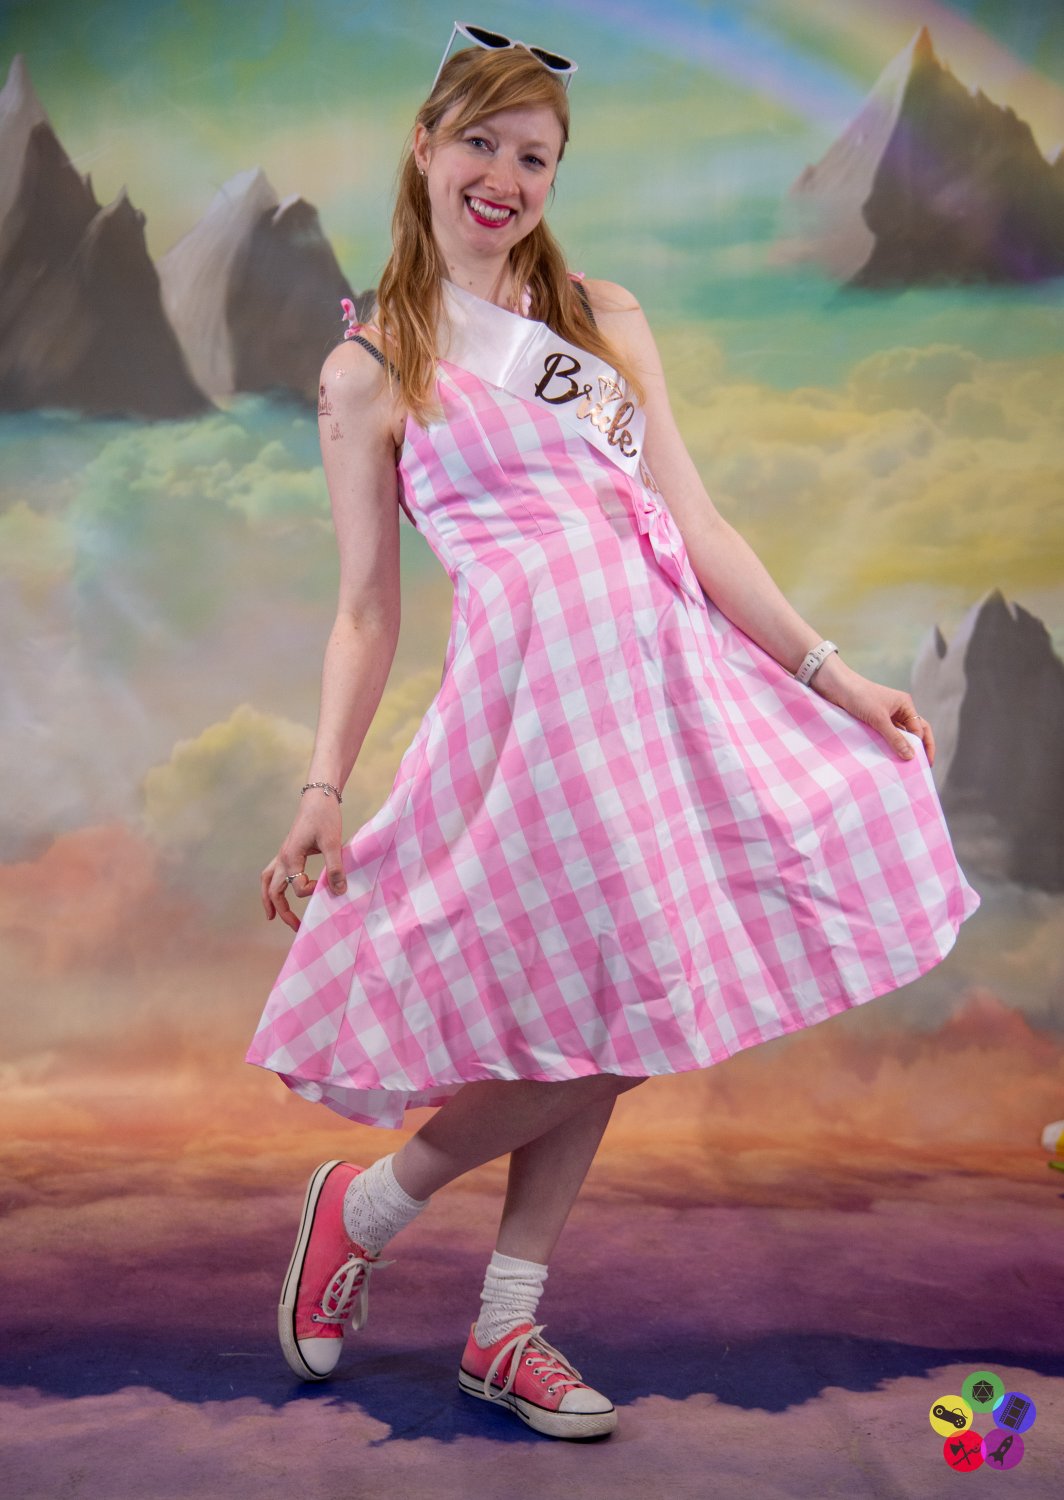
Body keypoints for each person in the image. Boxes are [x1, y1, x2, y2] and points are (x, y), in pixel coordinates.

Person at [246, 25, 980, 1442]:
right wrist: (323, 783)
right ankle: (372, 1212)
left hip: (665, 697)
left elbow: (695, 524)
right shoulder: (370, 370)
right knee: (608, 1005)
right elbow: (365, 611)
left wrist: (832, 675)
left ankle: (495, 1320)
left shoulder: (602, 321)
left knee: (622, 1005)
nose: (504, 176)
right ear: (424, 146)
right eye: (480, 143)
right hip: (535, 719)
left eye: (535, 156)